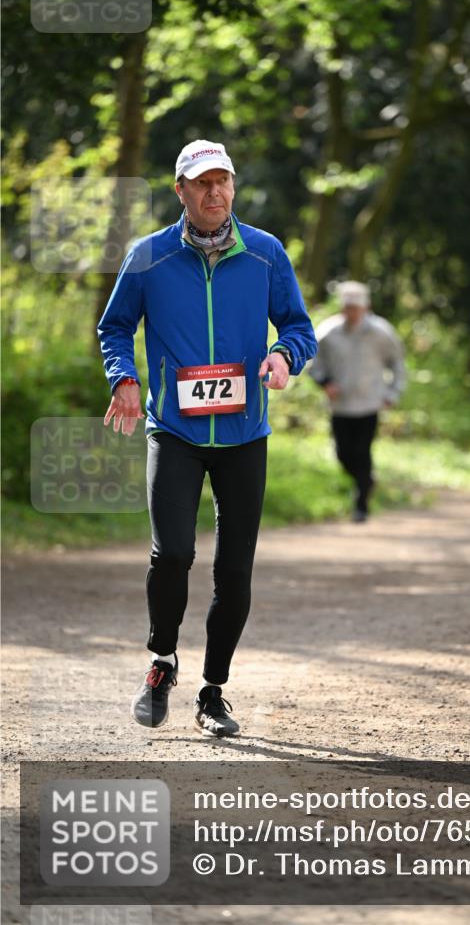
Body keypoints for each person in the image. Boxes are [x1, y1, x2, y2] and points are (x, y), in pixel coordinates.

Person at [98, 139, 317, 735]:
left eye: (223, 180)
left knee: (234, 571)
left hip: (245, 435)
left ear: (234, 186)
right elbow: (115, 327)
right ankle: (162, 660)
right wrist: (124, 377)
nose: (214, 192)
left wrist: (282, 356)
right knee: (173, 554)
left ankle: (213, 691)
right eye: (201, 182)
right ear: (181, 191)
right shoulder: (148, 257)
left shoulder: (267, 253)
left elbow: (299, 326)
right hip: (174, 430)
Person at [309, 281, 405, 521]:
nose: (352, 312)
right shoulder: (327, 332)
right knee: (343, 454)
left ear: (366, 307)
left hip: (369, 404)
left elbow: (398, 365)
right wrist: (325, 382)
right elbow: (313, 364)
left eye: (356, 307)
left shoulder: (382, 333)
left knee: (363, 452)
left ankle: (361, 504)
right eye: (348, 307)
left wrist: (392, 394)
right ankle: (367, 481)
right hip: (340, 406)